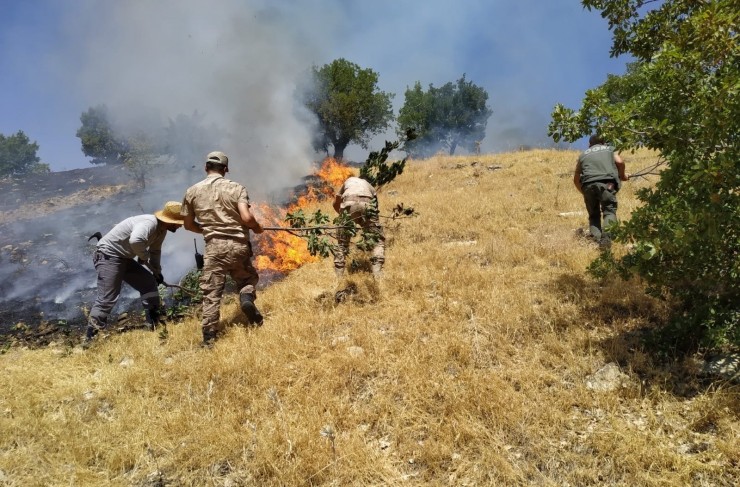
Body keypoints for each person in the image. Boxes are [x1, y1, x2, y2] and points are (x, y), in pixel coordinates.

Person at [181, 151, 265, 346]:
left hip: (214, 248)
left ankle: (209, 339)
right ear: (225, 169)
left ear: (205, 167)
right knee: (246, 278)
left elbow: (188, 225)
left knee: (211, 293)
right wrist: (257, 228)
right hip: (238, 246)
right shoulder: (236, 188)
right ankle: (246, 298)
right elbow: (246, 217)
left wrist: (209, 230)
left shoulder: (192, 191)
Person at [85, 201, 184, 344]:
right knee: (107, 298)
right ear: (170, 221)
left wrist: (156, 271)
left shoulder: (161, 230)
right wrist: (144, 257)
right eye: (178, 223)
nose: (180, 226)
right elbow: (136, 241)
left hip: (124, 257)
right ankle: (91, 339)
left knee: (149, 283)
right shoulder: (149, 223)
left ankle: (153, 323)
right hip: (109, 256)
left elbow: (155, 251)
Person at [574, 135, 629, 249]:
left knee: (593, 215)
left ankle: (598, 240)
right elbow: (619, 161)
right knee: (609, 211)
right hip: (607, 184)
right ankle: (606, 238)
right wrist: (623, 176)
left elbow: (576, 178)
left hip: (588, 185)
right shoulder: (609, 149)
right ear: (604, 142)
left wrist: (583, 191)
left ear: (589, 145)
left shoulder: (583, 155)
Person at [332, 176, 385, 279]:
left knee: (342, 244)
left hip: (348, 204)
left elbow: (336, 203)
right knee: (377, 241)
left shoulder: (348, 181)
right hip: (368, 204)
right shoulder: (369, 186)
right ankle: (377, 275)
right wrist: (368, 227)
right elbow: (375, 209)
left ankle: (338, 278)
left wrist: (345, 222)